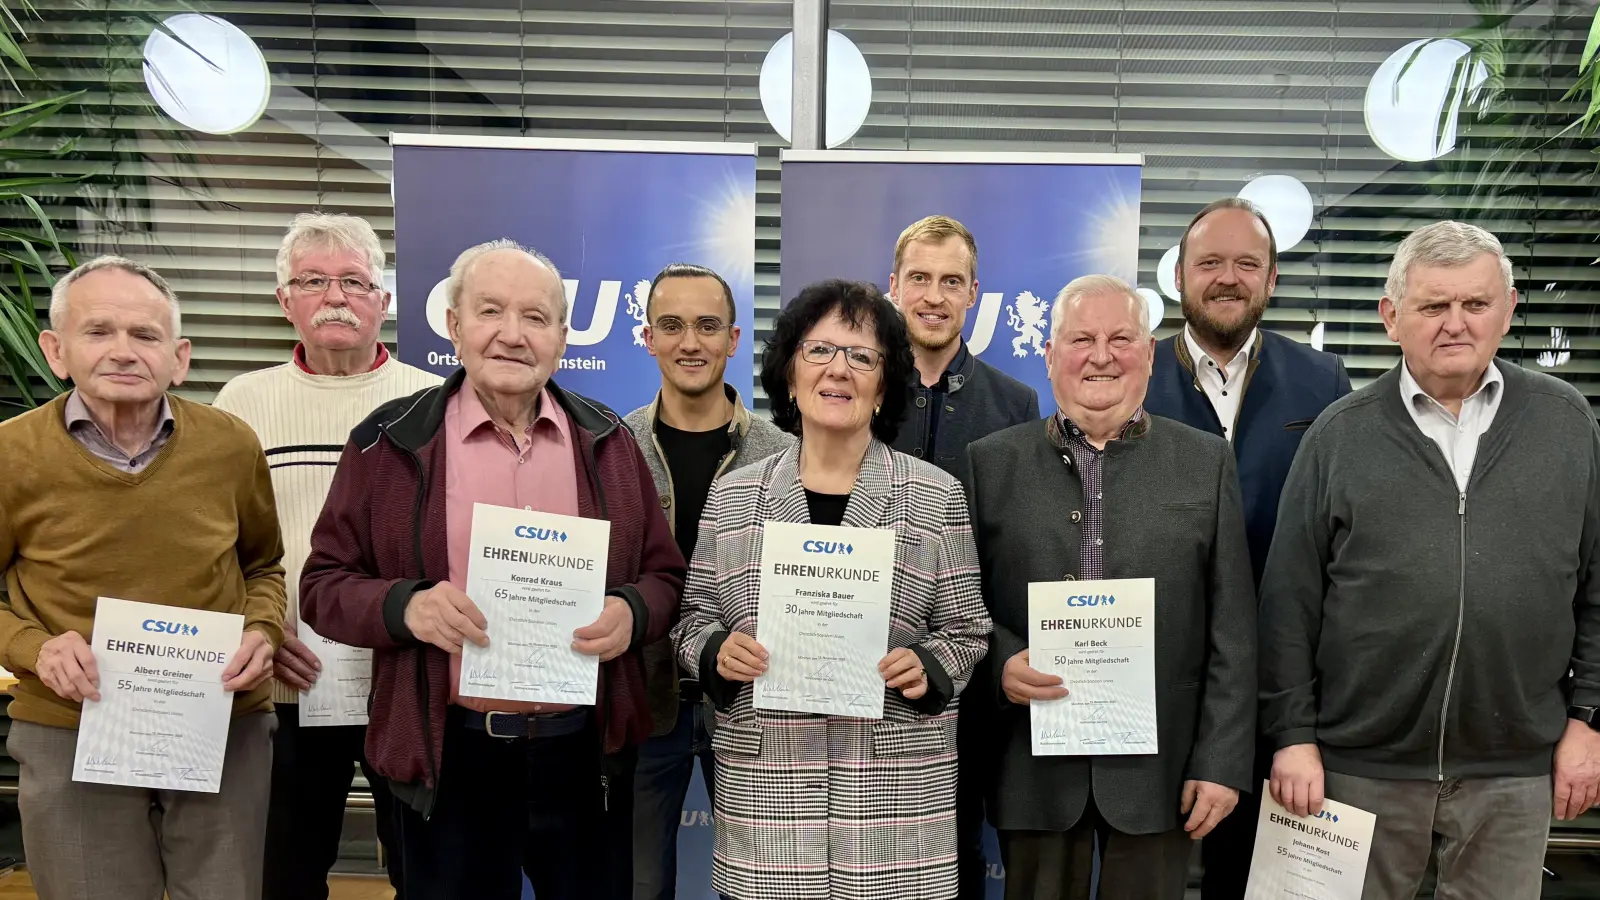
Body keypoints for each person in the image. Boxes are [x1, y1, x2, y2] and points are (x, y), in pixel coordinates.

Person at [299, 239, 685, 900]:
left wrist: (633, 612)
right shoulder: (389, 442)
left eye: (535, 317)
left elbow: (665, 576)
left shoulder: (610, 443)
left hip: (582, 757)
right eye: (490, 312)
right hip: (451, 758)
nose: (512, 334)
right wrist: (406, 606)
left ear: (562, 337)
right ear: (454, 325)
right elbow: (322, 586)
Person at [1259, 220, 1600, 900]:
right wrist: (1291, 737)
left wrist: (1587, 720)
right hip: (1357, 765)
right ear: (1392, 317)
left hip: (1514, 767)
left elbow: (1595, 589)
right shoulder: (1339, 435)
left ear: (1506, 310)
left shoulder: (1566, 424)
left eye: (1475, 304)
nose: (1455, 323)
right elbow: (1287, 603)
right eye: (1433, 306)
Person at [670, 279, 993, 900]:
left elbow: (968, 630)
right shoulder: (735, 495)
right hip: (769, 803)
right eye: (818, 352)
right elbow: (693, 618)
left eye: (862, 356)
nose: (838, 370)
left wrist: (930, 664)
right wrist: (715, 652)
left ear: (884, 386)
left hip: (895, 807)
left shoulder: (934, 496)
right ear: (790, 377)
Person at [0, 256, 285, 900]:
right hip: (69, 727)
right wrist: (34, 649)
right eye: (99, 331)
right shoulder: (10, 454)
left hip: (220, 724)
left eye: (146, 335)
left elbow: (263, 565)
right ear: (56, 350)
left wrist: (263, 630)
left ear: (179, 356)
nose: (124, 352)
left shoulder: (231, 445)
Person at [966, 275, 1255, 900]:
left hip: (1162, 766)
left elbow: (1233, 626)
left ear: (1149, 354)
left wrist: (1222, 762)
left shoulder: (1206, 462)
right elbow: (961, 607)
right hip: (1033, 761)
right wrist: (999, 664)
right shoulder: (990, 463)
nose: (1101, 355)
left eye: (1122, 338)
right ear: (1049, 355)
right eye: (1081, 339)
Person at [214, 212, 441, 900]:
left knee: (425, 866)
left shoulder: (432, 403)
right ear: (285, 300)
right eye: (312, 281)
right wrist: (256, 628)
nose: (334, 297)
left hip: (404, 679)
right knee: (284, 867)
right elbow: (216, 544)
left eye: (353, 280)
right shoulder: (240, 406)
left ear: (385, 299)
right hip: (286, 678)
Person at [1142, 198, 1350, 900]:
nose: (1227, 278)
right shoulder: (1133, 375)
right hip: (1158, 677)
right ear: (1179, 275)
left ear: (1272, 279)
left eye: (1246, 264)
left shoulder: (1323, 384)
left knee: (1261, 880)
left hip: (1283, 681)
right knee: (1152, 872)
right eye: (1209, 263)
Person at [623, 262, 793, 900]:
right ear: (648, 337)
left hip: (752, 703)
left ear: (734, 338)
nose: (689, 342)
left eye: (706, 325)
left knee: (765, 879)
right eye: (671, 325)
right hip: (644, 700)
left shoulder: (782, 452)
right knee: (638, 883)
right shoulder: (612, 448)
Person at [884, 215, 1039, 899]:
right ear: (893, 286)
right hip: (864, 669)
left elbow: (1018, 547)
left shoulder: (1016, 404)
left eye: (952, 281)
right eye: (920, 278)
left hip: (972, 681)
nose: (934, 296)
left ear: (975, 292)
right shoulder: (854, 391)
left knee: (959, 856)